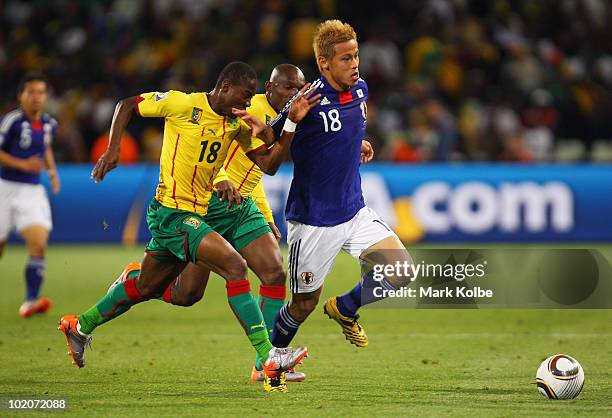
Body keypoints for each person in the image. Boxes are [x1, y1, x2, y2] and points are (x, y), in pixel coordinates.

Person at [58, 62, 320, 393]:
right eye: (241, 99)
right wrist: (113, 149)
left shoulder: (237, 121)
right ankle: (269, 357)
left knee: (167, 289)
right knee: (224, 273)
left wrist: (282, 127)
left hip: (217, 211)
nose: (243, 105)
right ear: (224, 88)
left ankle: (79, 325)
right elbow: (127, 105)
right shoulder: (183, 104)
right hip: (173, 213)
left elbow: (268, 164)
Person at [236, 20, 413, 358]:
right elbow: (273, 140)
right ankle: (268, 361)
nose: (354, 64)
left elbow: (343, 127)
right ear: (324, 62)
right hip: (314, 219)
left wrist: (357, 142)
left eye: (356, 56)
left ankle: (345, 308)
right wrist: (270, 128)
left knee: (401, 269)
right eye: (345, 59)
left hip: (353, 209)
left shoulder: (360, 88)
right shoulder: (307, 97)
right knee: (303, 304)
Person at [0, 72, 60, 318]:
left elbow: (45, 147)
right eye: (31, 92)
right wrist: (23, 165)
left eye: (40, 92)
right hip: (4, 187)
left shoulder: (50, 124)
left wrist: (53, 170)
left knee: (39, 243)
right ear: (21, 96)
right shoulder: (11, 121)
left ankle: (31, 300)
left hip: (32, 191)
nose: (36, 97)